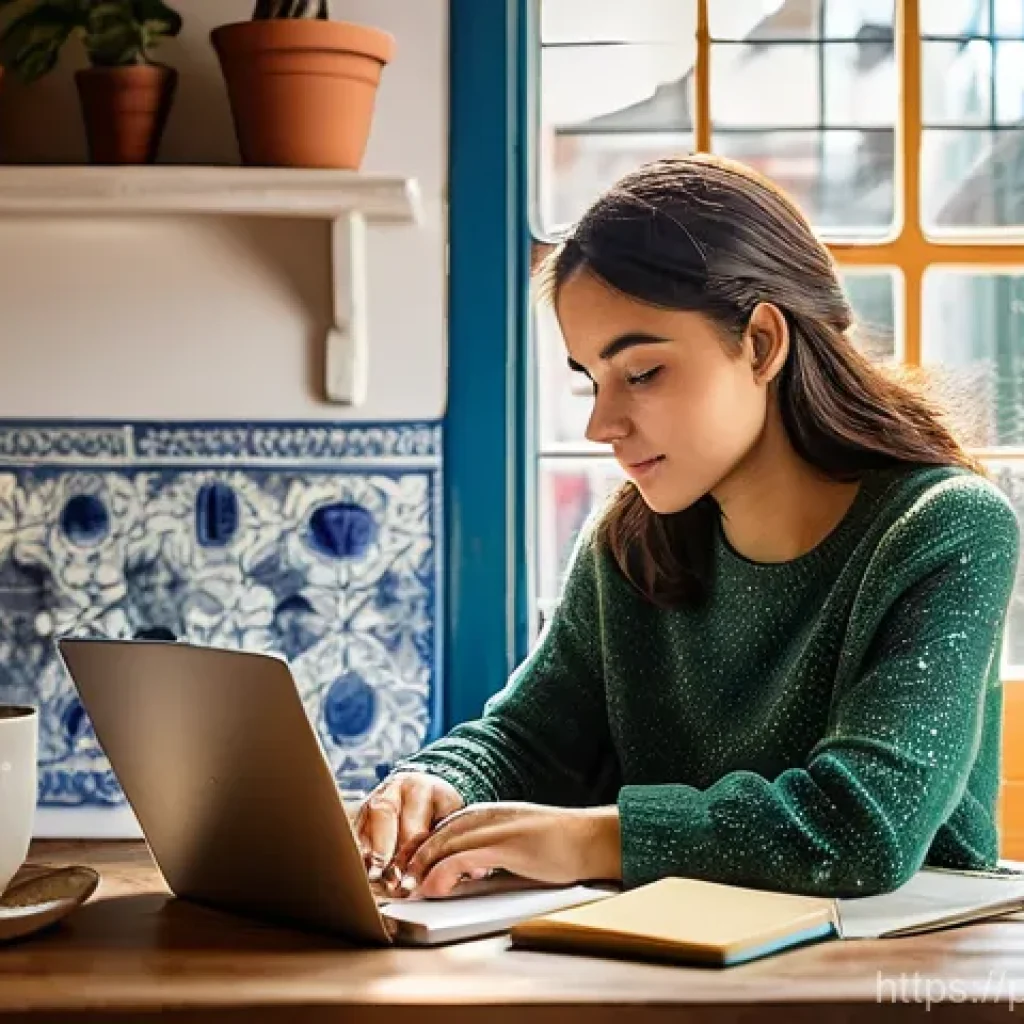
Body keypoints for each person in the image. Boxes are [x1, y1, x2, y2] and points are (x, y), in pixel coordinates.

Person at [353, 154, 1021, 902]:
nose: (601, 424)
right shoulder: (629, 541)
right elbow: (531, 736)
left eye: (640, 373)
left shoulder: (944, 527)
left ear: (763, 343)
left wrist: (586, 839)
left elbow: (861, 829)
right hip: (674, 960)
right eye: (591, 379)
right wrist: (436, 783)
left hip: (896, 976)